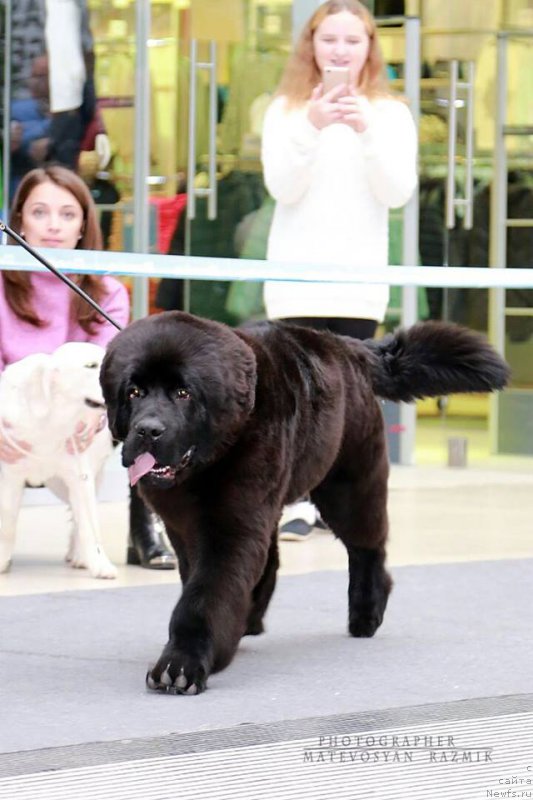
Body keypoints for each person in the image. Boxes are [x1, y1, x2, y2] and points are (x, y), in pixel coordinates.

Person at [261, 0, 418, 541]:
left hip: (358, 287)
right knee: (297, 400)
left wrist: (365, 130)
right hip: (294, 286)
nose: (341, 51)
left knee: (353, 404)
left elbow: (397, 191)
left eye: (353, 41)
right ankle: (295, 501)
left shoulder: (392, 114)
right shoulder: (283, 109)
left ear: (370, 47)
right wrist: (311, 124)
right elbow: (282, 186)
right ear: (312, 44)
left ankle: (346, 507)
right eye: (330, 40)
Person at [0, 165, 176, 570]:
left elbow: (111, 376)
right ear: (19, 222)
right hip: (13, 423)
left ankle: (142, 532)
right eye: (39, 212)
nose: (53, 226)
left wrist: (93, 420)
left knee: (148, 415)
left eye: (67, 214)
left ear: (83, 225)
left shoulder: (108, 293)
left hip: (81, 427)